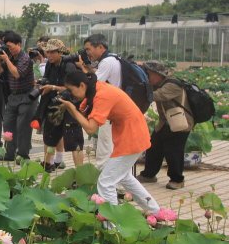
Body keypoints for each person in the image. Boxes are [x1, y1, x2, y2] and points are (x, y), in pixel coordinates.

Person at [58, 71, 159, 214]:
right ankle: (155, 211)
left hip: (132, 137)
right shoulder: (95, 89)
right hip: (130, 135)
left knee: (105, 182)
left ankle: (113, 224)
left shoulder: (101, 95)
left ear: (81, 85)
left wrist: (71, 109)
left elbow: (91, 129)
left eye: (71, 90)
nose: (71, 94)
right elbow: (88, 123)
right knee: (125, 177)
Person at [137, 61, 193, 190]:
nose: (146, 77)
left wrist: (139, 87)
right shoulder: (156, 84)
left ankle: (177, 179)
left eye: (148, 74)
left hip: (181, 123)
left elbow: (157, 96)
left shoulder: (172, 85)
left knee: (173, 152)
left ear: (157, 75)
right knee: (153, 147)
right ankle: (149, 175)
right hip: (165, 123)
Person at [35, 39, 84, 172]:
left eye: (52, 52)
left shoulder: (69, 66)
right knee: (49, 137)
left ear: (60, 52)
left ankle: (80, 173)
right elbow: (47, 80)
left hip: (71, 106)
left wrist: (52, 87)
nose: (49, 55)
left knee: (75, 142)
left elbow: (75, 90)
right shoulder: (50, 65)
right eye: (47, 52)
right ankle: (47, 164)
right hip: (55, 105)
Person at [0, 31, 38, 162]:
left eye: (11, 46)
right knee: (8, 124)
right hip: (13, 96)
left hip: (27, 96)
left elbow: (17, 74)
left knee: (23, 126)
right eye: (7, 47)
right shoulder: (9, 57)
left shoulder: (26, 59)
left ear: (19, 44)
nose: (9, 49)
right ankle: (9, 153)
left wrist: (6, 59)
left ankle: (23, 155)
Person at [82, 33, 121, 169]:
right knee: (113, 146)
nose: (87, 53)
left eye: (88, 49)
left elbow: (93, 84)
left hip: (109, 110)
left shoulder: (106, 62)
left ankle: (102, 181)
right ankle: (115, 182)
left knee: (105, 147)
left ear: (100, 47)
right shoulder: (115, 58)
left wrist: (82, 69)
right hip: (118, 108)